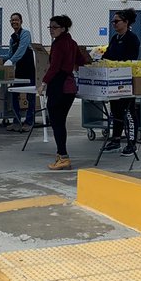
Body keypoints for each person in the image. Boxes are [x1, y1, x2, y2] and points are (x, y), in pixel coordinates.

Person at [42, 15, 90, 170]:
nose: (51, 30)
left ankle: (63, 156)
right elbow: (82, 61)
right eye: (50, 27)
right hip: (69, 87)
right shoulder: (72, 43)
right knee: (60, 122)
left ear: (63, 28)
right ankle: (61, 154)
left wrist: (44, 82)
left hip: (59, 85)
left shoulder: (58, 44)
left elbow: (54, 67)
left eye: (54, 27)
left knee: (57, 122)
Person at [101, 7, 141, 156]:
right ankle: (115, 139)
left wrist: (116, 64)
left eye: (117, 21)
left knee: (129, 112)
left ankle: (132, 143)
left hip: (126, 82)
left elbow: (129, 59)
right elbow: (107, 55)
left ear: (126, 22)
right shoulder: (114, 38)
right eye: (113, 21)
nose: (114, 24)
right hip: (113, 82)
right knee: (115, 110)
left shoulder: (132, 39)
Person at [5, 13, 36, 133]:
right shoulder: (12, 38)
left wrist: (11, 60)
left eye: (16, 20)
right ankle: (16, 121)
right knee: (14, 95)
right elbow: (10, 54)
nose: (14, 22)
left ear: (21, 21)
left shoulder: (25, 34)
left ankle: (29, 122)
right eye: (12, 20)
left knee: (30, 96)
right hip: (18, 71)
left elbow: (22, 49)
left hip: (29, 70)